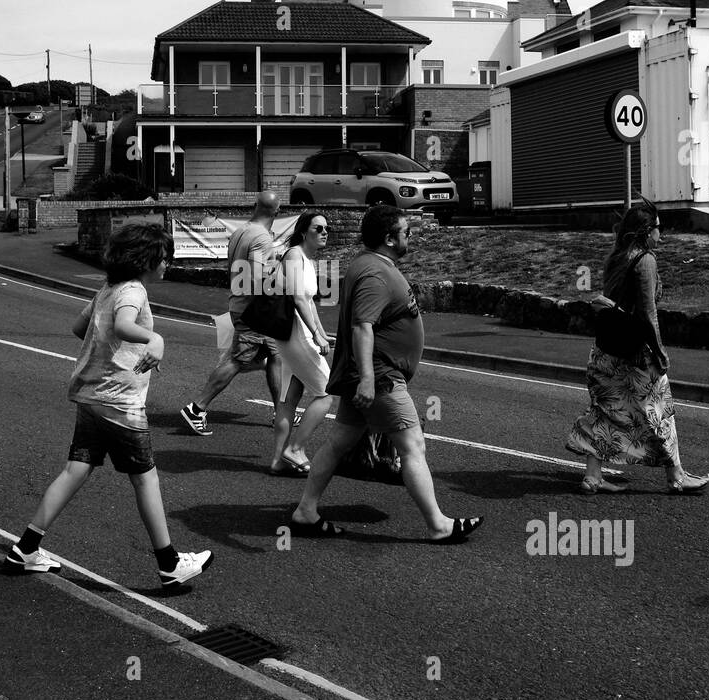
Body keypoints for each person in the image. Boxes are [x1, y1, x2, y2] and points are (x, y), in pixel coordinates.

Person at [6, 223, 213, 588]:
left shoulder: (108, 288)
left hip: (91, 396)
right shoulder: (133, 290)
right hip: (119, 402)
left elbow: (79, 327)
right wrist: (155, 338)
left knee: (76, 469)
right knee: (145, 478)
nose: (167, 264)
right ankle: (169, 564)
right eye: (164, 257)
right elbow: (122, 325)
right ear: (145, 259)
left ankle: (25, 548)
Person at [288, 205, 482, 543]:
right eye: (406, 232)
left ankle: (306, 511)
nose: (410, 236)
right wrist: (366, 378)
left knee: (338, 444)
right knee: (413, 444)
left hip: (370, 374)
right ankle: (438, 525)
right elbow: (363, 326)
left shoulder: (372, 266)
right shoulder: (374, 274)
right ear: (389, 239)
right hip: (378, 377)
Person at [565, 202, 709, 494]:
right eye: (659, 229)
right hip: (636, 355)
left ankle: (593, 476)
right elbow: (648, 314)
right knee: (660, 412)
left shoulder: (617, 257)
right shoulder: (645, 261)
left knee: (607, 410)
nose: (662, 235)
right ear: (646, 231)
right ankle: (676, 476)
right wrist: (660, 353)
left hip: (607, 351)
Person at [180, 191, 283, 436]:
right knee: (238, 360)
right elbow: (258, 279)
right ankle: (197, 408)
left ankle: (281, 412)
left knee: (277, 356)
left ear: (255, 205)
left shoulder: (241, 231)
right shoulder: (261, 238)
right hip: (254, 310)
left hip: (243, 304)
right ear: (277, 213)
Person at [269, 211, 334, 476]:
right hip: (295, 335)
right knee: (326, 393)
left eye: (326, 228)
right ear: (304, 231)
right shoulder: (294, 255)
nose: (324, 232)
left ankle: (277, 461)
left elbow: (309, 302)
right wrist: (314, 335)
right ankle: (295, 449)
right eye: (318, 228)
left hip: (300, 333)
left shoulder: (307, 259)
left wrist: (321, 331)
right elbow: (297, 299)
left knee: (289, 400)